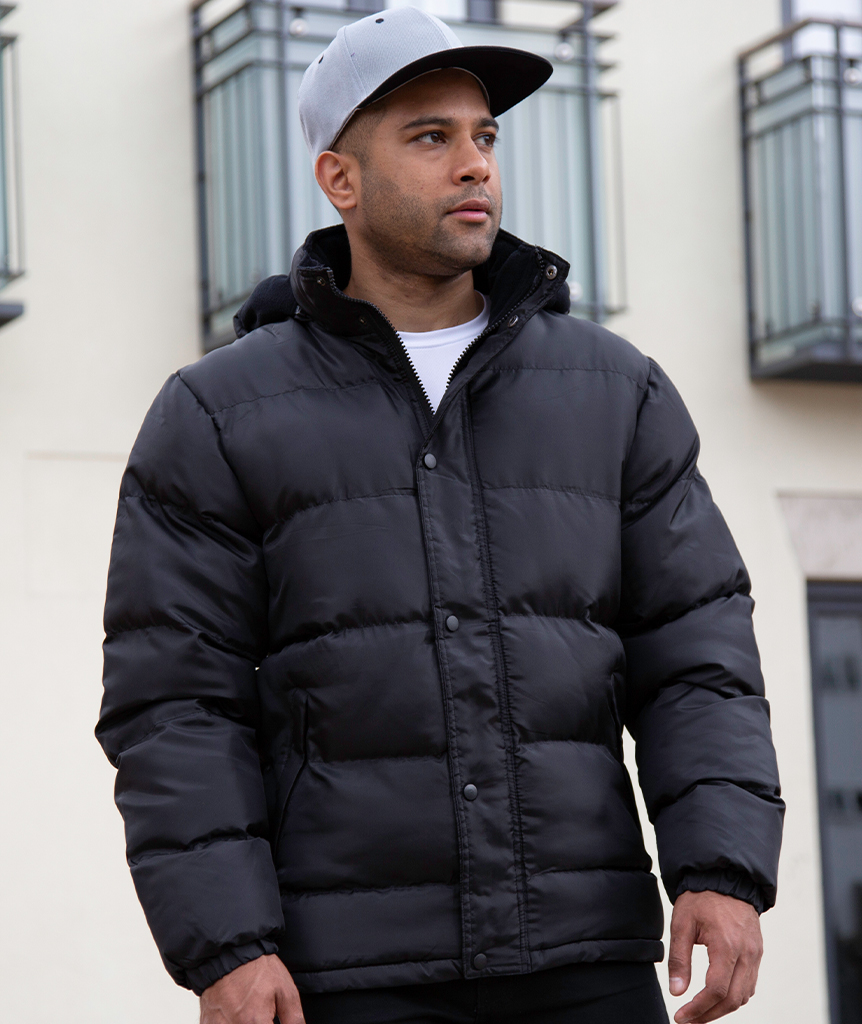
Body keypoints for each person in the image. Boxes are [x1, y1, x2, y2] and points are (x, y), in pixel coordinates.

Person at [96, 8, 784, 1024]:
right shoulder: (216, 414)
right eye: (430, 137)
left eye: (484, 135)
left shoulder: (616, 391)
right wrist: (227, 944)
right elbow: (175, 703)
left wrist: (721, 867)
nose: (474, 165)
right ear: (339, 179)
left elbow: (697, 655)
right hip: (349, 973)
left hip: (585, 957)